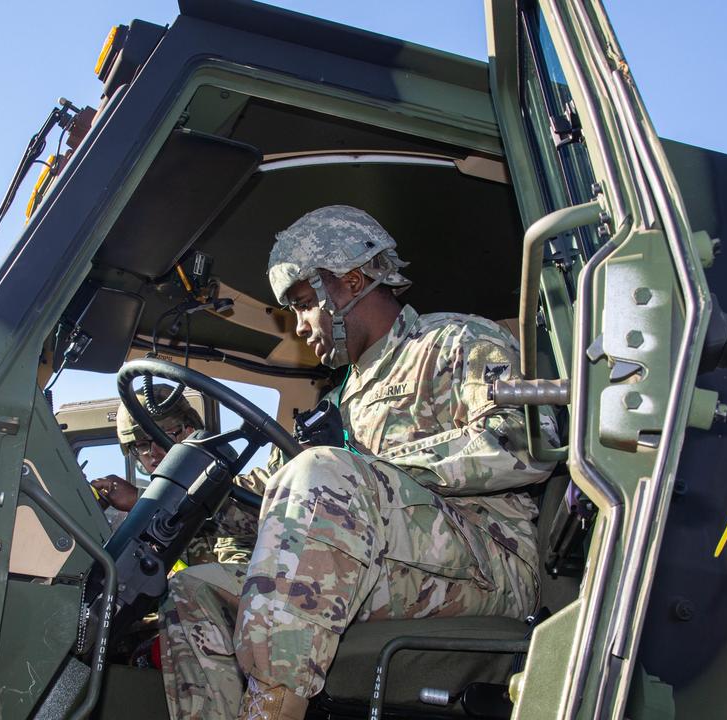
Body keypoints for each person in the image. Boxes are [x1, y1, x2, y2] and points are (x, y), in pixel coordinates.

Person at [158, 205, 559, 720]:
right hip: (374, 560)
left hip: (491, 561)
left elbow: (526, 443)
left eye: (303, 305)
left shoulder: (454, 342)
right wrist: (199, 499)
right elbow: (292, 493)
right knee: (194, 588)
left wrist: (367, 469)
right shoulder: (340, 399)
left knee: (323, 473)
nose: (301, 327)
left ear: (349, 282)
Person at [91, 385, 259, 565]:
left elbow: (259, 521)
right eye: (141, 445)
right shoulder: (137, 521)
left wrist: (144, 500)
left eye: (162, 436)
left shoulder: (245, 490)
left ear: (189, 433)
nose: (153, 452)